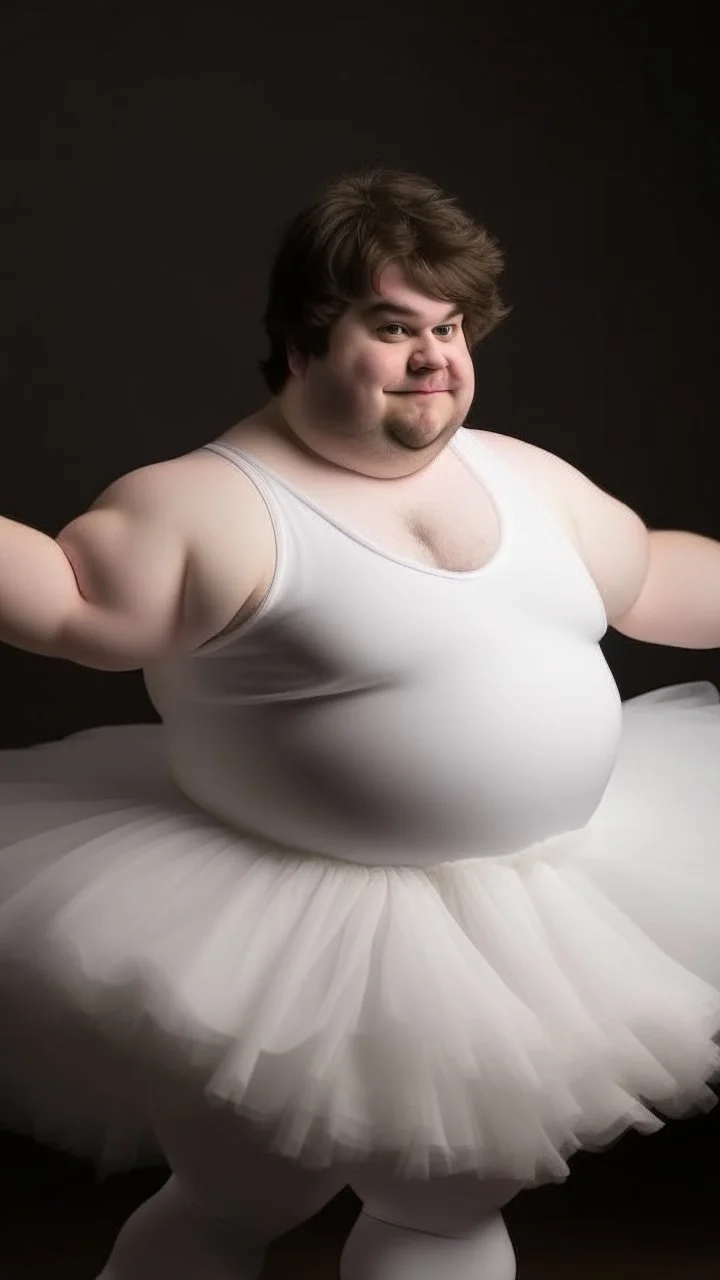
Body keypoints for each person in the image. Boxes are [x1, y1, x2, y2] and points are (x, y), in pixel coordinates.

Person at [0, 166, 719, 1280]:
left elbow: (653, 579)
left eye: (451, 326)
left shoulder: (527, 477)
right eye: (395, 328)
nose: (437, 355)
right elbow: (62, 598)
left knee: (443, 1204)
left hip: (525, 919)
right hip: (280, 929)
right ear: (302, 345)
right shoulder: (209, 504)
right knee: (242, 1188)